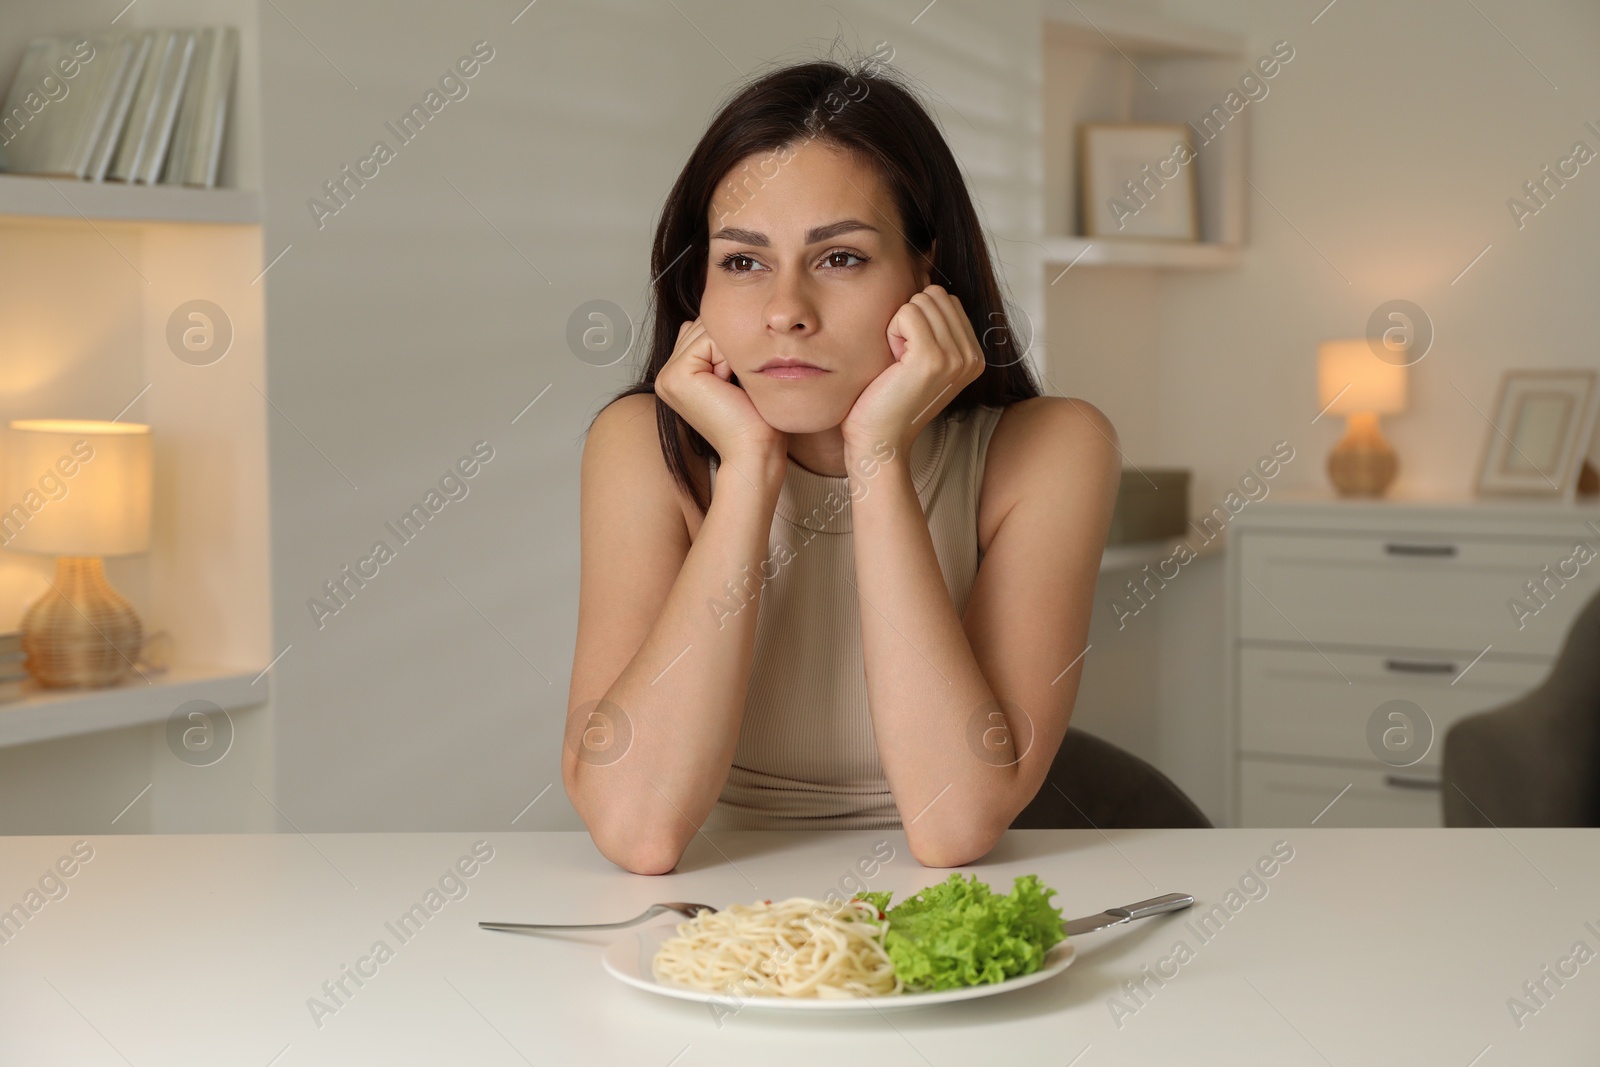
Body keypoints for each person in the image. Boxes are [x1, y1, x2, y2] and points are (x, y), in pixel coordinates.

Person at [565, 51, 1119, 874]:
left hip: (938, 915)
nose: (786, 310)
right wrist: (750, 468)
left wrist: (877, 457)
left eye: (841, 257)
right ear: (699, 292)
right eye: (743, 262)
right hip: (718, 926)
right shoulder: (640, 446)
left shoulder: (1052, 449)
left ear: (926, 271)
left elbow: (952, 824)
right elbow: (639, 829)